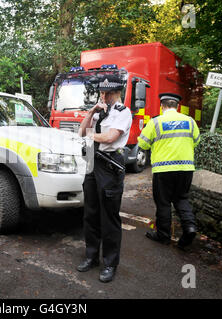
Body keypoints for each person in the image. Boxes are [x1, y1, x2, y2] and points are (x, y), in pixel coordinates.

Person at [77, 74, 132, 283]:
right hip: (92, 163)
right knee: (90, 213)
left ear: (117, 93)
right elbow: (82, 130)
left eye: (108, 93)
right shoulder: (98, 112)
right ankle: (91, 256)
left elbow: (110, 138)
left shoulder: (123, 112)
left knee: (109, 218)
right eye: (102, 92)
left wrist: (91, 136)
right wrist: (91, 111)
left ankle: (110, 263)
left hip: (110, 166)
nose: (104, 96)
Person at [137, 93, 200, 250]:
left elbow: (143, 145)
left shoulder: (155, 122)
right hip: (186, 169)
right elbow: (197, 141)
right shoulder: (190, 121)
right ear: (177, 106)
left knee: (163, 202)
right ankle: (190, 228)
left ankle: (163, 236)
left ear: (162, 106)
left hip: (163, 170)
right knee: (181, 199)